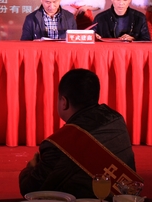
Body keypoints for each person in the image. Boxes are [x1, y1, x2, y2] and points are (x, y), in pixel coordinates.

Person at [19, 69, 137, 198]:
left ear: (64, 102)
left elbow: (29, 189)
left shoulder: (59, 146)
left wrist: (30, 168)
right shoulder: (116, 118)